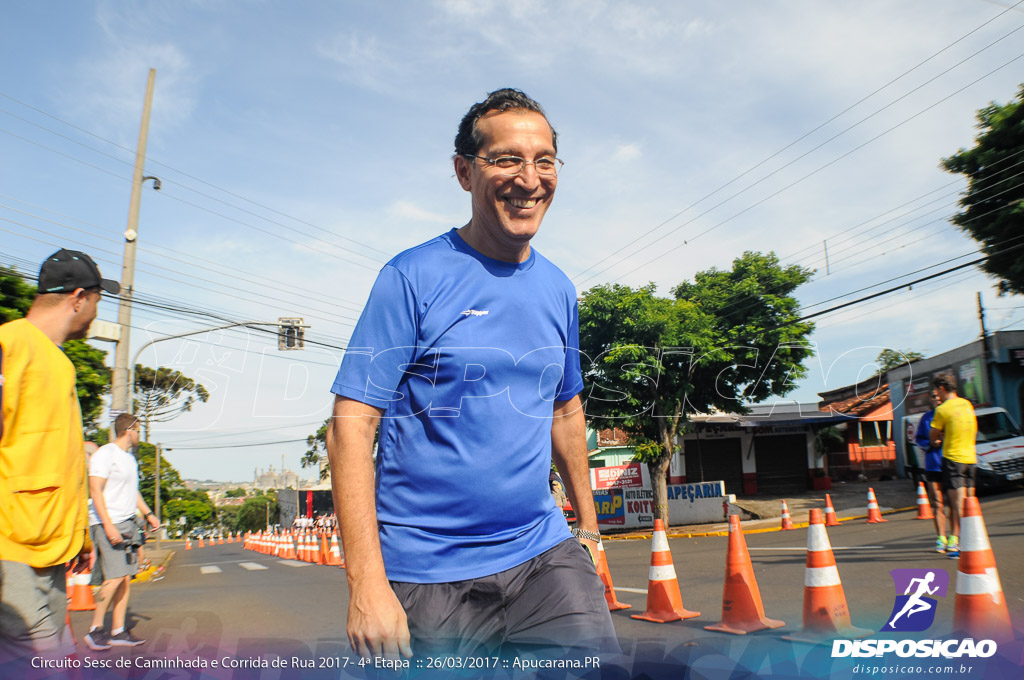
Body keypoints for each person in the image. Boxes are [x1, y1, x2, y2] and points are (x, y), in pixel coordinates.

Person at [327, 88, 616, 660]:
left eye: (544, 161)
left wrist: (587, 530)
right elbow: (350, 426)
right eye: (506, 159)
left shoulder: (558, 288)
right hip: (427, 572)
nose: (529, 179)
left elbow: (565, 410)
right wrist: (366, 586)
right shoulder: (410, 277)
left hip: (543, 555)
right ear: (464, 171)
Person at [0, 249, 118, 663]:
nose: (95, 313)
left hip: (48, 548)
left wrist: (80, 535)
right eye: (100, 302)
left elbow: (53, 458)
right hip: (10, 546)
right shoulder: (11, 343)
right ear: (79, 298)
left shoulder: (57, 361)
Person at [84, 413, 160, 650]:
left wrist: (148, 515)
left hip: (126, 522)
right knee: (115, 577)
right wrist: (107, 524)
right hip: (108, 522)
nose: (139, 435)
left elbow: (133, 492)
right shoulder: (105, 454)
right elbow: (95, 489)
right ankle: (95, 630)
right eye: (138, 430)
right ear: (129, 430)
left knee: (125, 578)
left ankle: (118, 631)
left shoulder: (129, 460)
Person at [929, 373, 978, 559]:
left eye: (937, 392)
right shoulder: (967, 404)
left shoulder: (943, 409)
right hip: (971, 459)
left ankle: (955, 542)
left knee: (956, 505)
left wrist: (937, 440)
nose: (937, 397)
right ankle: (971, 540)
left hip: (953, 459)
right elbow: (973, 428)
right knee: (969, 504)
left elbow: (933, 435)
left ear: (942, 388)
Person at [914, 390, 947, 552]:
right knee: (937, 503)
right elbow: (918, 439)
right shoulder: (926, 418)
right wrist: (930, 444)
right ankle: (941, 537)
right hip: (933, 464)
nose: (937, 399)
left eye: (939, 395)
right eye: (934, 396)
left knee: (957, 504)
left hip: (951, 463)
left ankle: (956, 537)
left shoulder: (951, 415)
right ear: (930, 399)